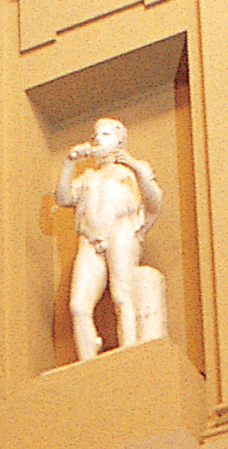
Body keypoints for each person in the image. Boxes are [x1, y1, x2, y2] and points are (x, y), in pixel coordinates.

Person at [56, 118, 167, 360]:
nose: (97, 139)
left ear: (119, 141)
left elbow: (154, 202)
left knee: (122, 295)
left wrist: (135, 166)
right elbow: (64, 198)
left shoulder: (132, 172)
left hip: (121, 231)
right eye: (95, 135)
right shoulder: (88, 177)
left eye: (104, 134)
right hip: (89, 239)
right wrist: (68, 163)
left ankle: (129, 350)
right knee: (78, 305)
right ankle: (88, 358)